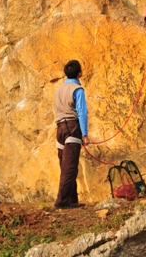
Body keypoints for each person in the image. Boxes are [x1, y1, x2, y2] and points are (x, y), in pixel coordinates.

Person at [53, 59, 89, 209]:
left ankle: (72, 200)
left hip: (60, 128)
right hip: (72, 127)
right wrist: (85, 135)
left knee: (65, 165)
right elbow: (82, 112)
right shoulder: (77, 89)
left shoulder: (58, 90)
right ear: (79, 73)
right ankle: (62, 202)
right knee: (70, 167)